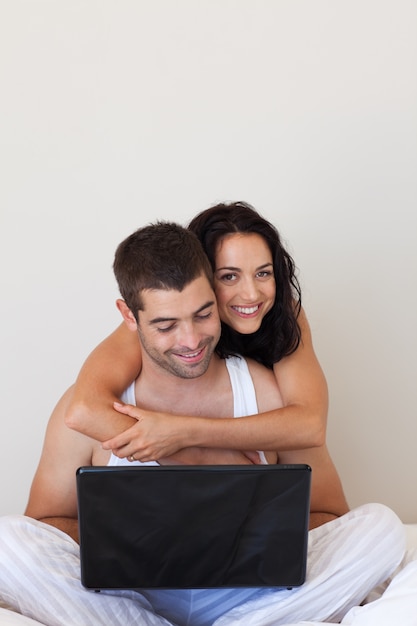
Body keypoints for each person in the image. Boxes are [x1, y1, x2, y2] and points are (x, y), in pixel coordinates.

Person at [0, 222, 405, 626]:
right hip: (132, 597)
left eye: (203, 314)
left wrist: (257, 531)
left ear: (215, 296)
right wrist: (135, 538)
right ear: (129, 315)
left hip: (247, 598)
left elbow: (331, 516)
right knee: (8, 542)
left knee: (381, 530)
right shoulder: (91, 405)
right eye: (165, 325)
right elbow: (44, 528)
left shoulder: (268, 395)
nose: (190, 340)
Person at [65, 202, 328, 463]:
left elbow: (310, 425)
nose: (251, 294)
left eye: (263, 273)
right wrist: (208, 460)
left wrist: (184, 432)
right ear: (201, 278)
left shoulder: (282, 311)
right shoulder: (148, 322)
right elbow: (85, 408)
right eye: (229, 276)